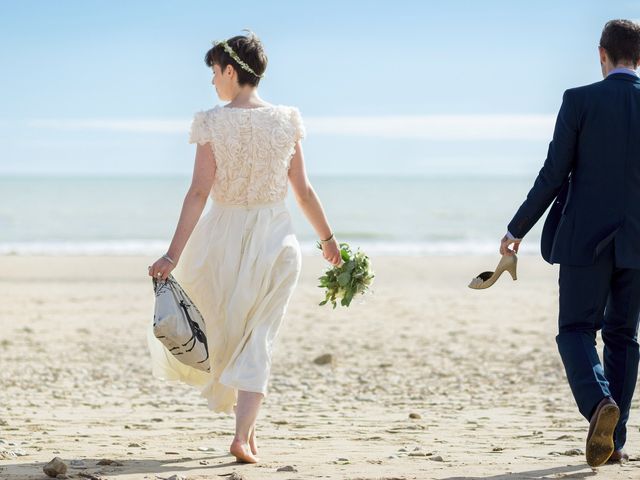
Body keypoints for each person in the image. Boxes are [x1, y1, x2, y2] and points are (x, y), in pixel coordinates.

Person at [146, 31, 342, 463]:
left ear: (230, 71)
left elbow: (198, 192)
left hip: (223, 238)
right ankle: (244, 435)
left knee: (227, 330)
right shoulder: (288, 120)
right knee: (260, 336)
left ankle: (244, 434)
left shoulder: (213, 122)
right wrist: (328, 241)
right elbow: (303, 191)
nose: (213, 81)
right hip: (276, 238)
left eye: (214, 72)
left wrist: (172, 254)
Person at [501, 19, 640, 467]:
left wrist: (516, 228)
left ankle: (599, 404)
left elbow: (554, 173)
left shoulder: (578, 100)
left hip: (585, 241)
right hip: (638, 241)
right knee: (623, 336)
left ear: (602, 54)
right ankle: (614, 441)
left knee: (576, 330)